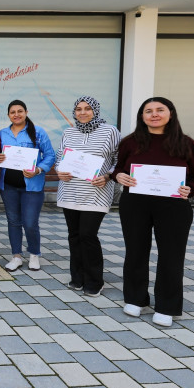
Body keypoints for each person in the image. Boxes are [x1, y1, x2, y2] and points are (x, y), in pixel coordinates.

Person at [113, 97, 194, 327]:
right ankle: (136, 299)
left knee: (171, 256)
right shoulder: (130, 142)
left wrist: (190, 188)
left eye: (159, 110)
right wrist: (118, 176)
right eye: (148, 111)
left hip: (173, 207)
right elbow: (118, 168)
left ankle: (167, 306)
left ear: (171, 113)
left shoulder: (186, 144)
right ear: (142, 116)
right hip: (135, 205)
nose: (154, 114)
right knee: (135, 252)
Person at [56, 96, 121, 297]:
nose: (82, 112)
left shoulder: (110, 131)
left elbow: (119, 160)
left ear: (95, 110)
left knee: (87, 235)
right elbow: (60, 157)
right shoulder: (68, 132)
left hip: (96, 192)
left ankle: (95, 280)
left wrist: (109, 176)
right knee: (74, 235)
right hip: (70, 190)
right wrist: (59, 170)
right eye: (78, 109)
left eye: (87, 108)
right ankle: (77, 278)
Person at [0, 100, 55, 272]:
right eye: (12, 112)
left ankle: (34, 254)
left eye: (20, 111)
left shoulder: (38, 132)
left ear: (26, 112)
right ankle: (16, 256)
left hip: (32, 186)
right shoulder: (3, 133)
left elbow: (50, 155)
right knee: (13, 221)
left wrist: (38, 169)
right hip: (8, 186)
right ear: (8, 115)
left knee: (30, 223)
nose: (16, 114)